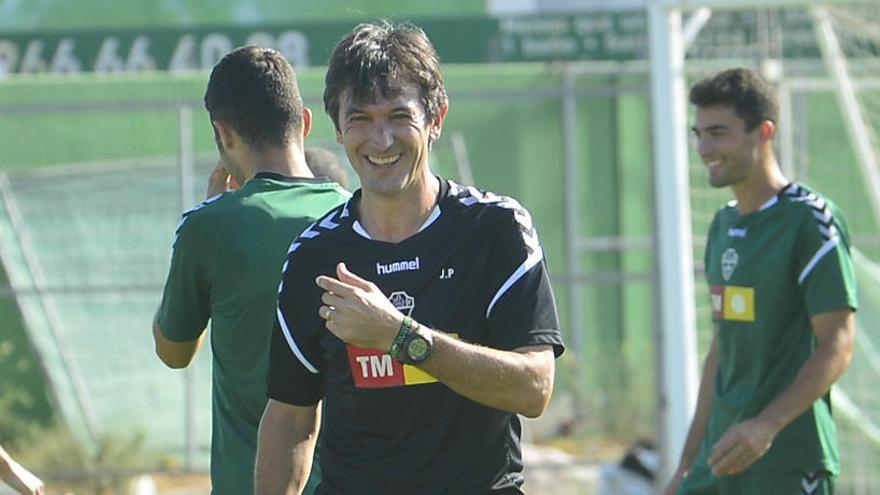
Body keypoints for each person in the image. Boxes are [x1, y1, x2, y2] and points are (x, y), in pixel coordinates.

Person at [255, 20, 565, 495]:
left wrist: (400, 337)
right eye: (360, 119)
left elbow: (533, 388)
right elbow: (291, 418)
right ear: (338, 128)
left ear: (436, 119)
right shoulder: (314, 256)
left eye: (399, 116)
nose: (381, 141)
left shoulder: (494, 229)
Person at [152, 45, 349, 495]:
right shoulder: (356, 218)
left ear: (223, 135)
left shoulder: (209, 228)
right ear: (304, 121)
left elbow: (174, 350)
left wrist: (206, 217)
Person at [664, 68, 857, 495]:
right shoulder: (721, 224)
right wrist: (685, 466)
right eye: (698, 134)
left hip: (788, 461)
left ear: (763, 131)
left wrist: (766, 425)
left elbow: (838, 343)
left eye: (718, 133)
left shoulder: (810, 221)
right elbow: (722, 349)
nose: (704, 148)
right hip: (719, 459)